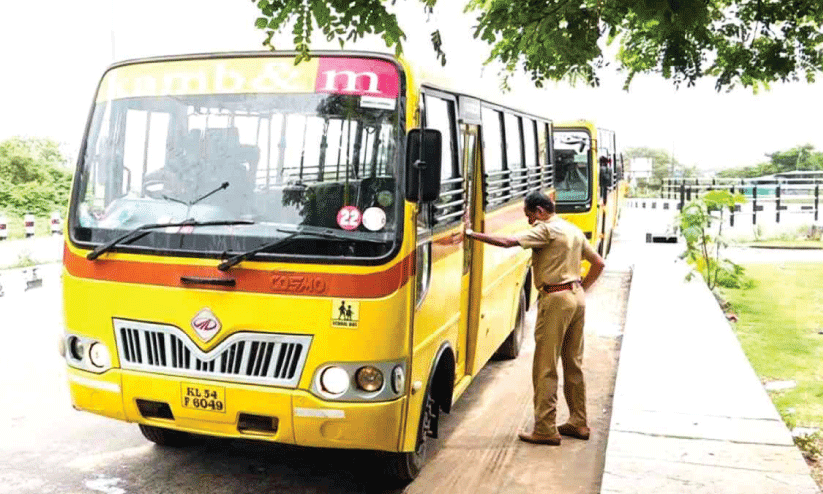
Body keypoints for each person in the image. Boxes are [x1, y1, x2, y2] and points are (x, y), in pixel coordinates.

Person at [465, 191, 605, 445]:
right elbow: (598, 263)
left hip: (556, 300)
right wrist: (582, 287)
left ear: (540, 211)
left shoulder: (546, 230)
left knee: (545, 366)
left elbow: (508, 242)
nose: (530, 222)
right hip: (576, 297)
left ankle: (545, 427)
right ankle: (579, 421)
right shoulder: (571, 229)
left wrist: (471, 234)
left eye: (530, 216)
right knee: (573, 363)